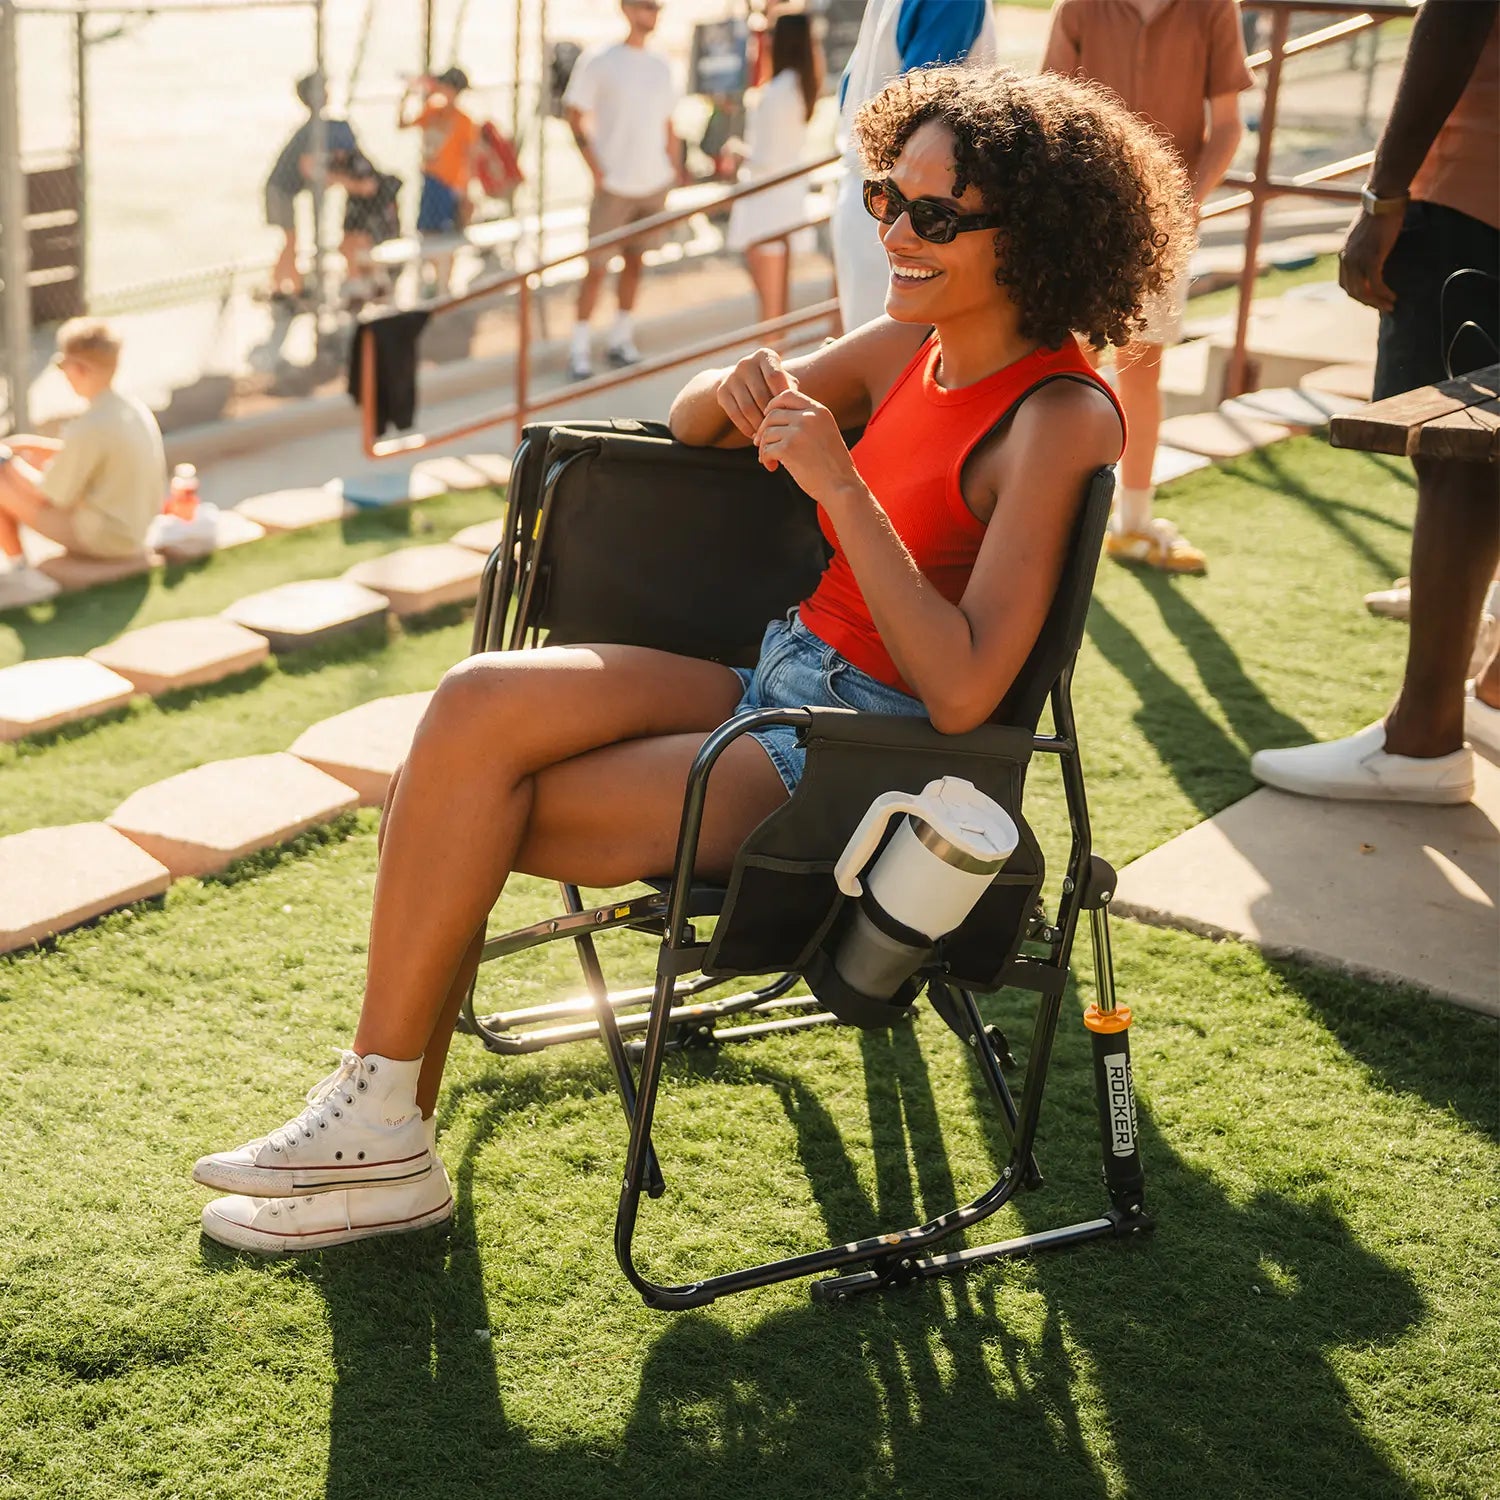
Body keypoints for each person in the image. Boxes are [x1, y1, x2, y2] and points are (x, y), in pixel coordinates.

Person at [190, 65, 1192, 1254]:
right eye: (885, 196)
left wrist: (841, 482)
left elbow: (969, 688)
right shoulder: (904, 344)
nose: (894, 234)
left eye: (933, 216)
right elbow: (687, 425)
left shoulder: (1061, 416)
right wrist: (741, 379)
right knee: (474, 705)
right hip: (779, 676)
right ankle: (387, 1119)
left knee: (464, 805)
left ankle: (388, 1132)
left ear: (1035, 238)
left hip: (861, 757)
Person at [1251, 0, 1500, 803]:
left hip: (1477, 193)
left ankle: (1422, 740)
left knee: (1458, 457)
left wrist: (1382, 197)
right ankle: (1492, 692)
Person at [1042, 0, 1254, 575]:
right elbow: (1049, 109)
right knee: (1066, 363)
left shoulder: (1213, 10)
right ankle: (1039, 514)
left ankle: (1132, 524)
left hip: (1166, 227)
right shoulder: (1079, 8)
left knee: (1143, 366)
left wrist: (1179, 207)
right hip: (1084, 220)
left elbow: (1228, 126)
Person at [830, 0, 997, 334]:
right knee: (903, 367)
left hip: (867, 198)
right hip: (916, 211)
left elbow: (847, 91)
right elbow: (921, 110)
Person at [563, 0, 684, 381]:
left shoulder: (663, 65)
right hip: (614, 185)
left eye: (657, 7)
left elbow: (668, 123)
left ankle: (620, 339)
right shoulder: (600, 60)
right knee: (596, 268)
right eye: (647, 6)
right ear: (627, 9)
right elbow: (573, 113)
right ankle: (579, 348)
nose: (654, 14)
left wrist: (674, 168)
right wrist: (595, 170)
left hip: (653, 183)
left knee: (636, 262)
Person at [0, 320, 166, 578]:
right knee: (18, 468)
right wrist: (27, 446)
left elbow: (49, 494)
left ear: (78, 368)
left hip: (108, 538)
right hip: (135, 528)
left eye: (61, 364)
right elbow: (89, 454)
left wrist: (7, 462)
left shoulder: (89, 426)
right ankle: (20, 568)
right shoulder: (129, 409)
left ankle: (21, 571)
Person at [725, 10, 824, 329]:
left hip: (766, 205)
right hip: (783, 200)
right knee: (776, 307)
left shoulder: (779, 91)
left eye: (770, 34)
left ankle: (771, 373)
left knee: (770, 312)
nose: (765, 40)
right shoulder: (797, 86)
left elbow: (767, 159)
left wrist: (736, 151)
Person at [263, 73, 358, 303]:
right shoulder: (311, 130)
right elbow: (308, 167)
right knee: (291, 241)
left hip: (284, 191)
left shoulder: (319, 126)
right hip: (280, 191)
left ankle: (283, 287)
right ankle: (289, 289)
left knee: (291, 241)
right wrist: (344, 181)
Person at [399, 66, 478, 291]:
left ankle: (445, 283)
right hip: (430, 180)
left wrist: (465, 189)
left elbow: (470, 158)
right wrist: (406, 97)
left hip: (449, 183)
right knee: (427, 232)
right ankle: (436, 280)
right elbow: (403, 124)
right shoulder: (432, 110)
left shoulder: (464, 121)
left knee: (446, 235)